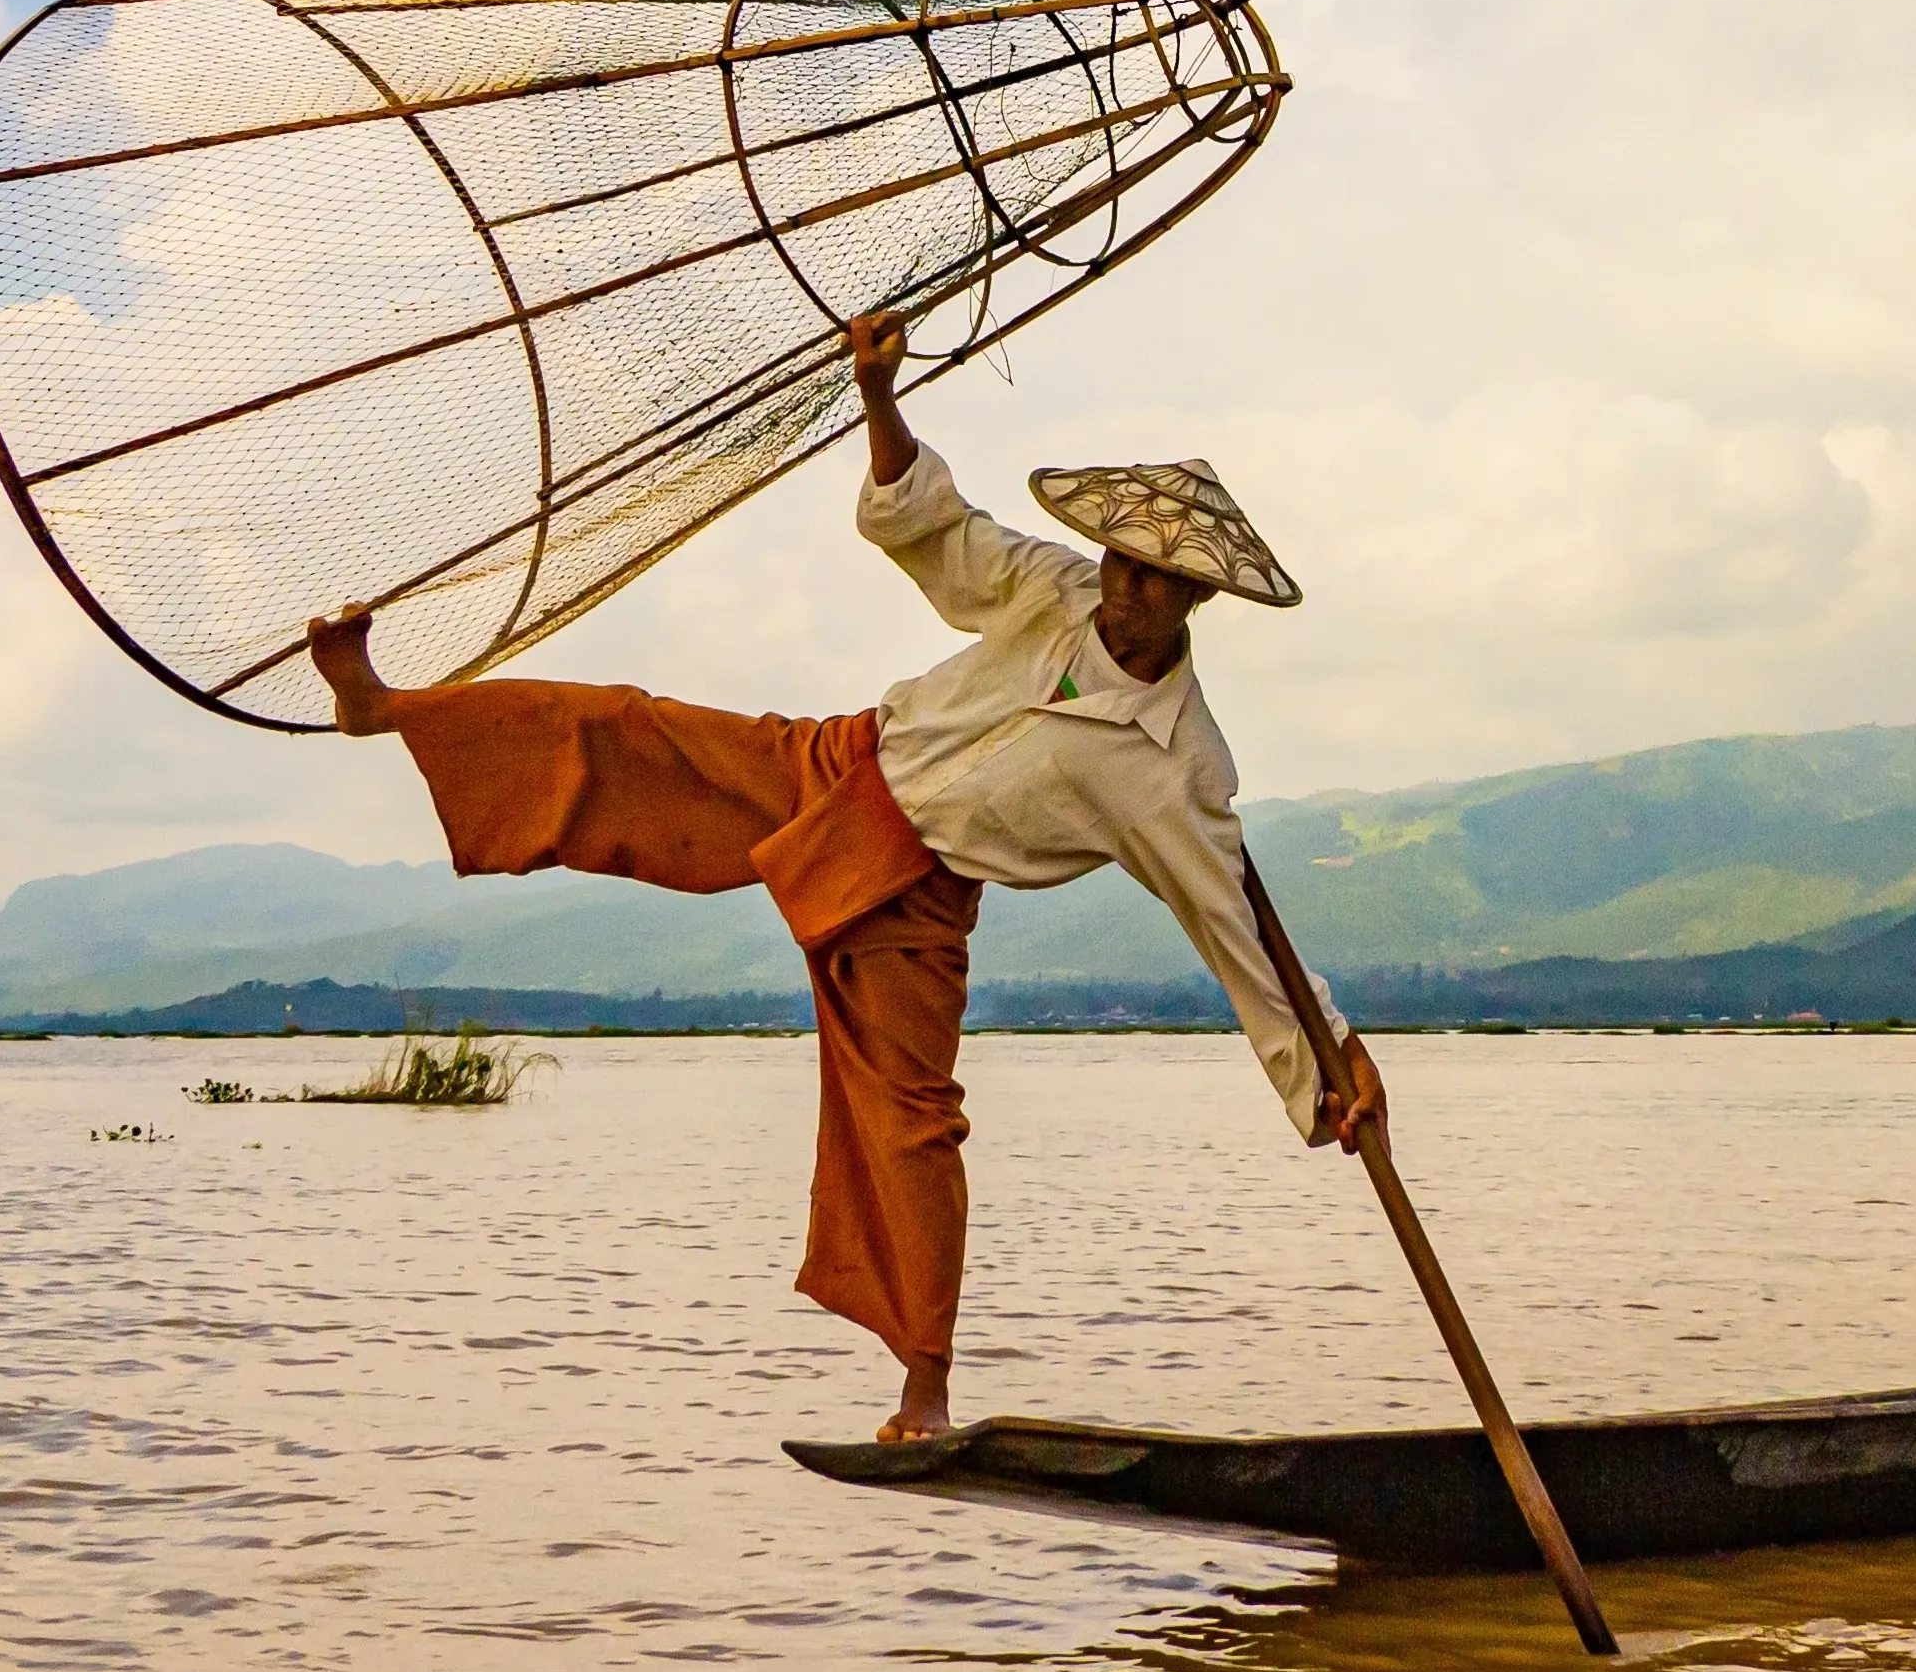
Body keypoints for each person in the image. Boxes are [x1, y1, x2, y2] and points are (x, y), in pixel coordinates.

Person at [305, 309, 1383, 1440]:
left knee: (912, 1123)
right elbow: (938, 530)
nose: (1125, 590)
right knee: (628, 729)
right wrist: (877, 393)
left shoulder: (1179, 766)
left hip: (921, 894)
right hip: (839, 763)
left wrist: (1331, 1064)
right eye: (1123, 562)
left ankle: (925, 1382)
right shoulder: (1055, 590)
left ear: (1194, 600)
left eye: (1156, 581)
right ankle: (385, 709)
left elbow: (1233, 932)